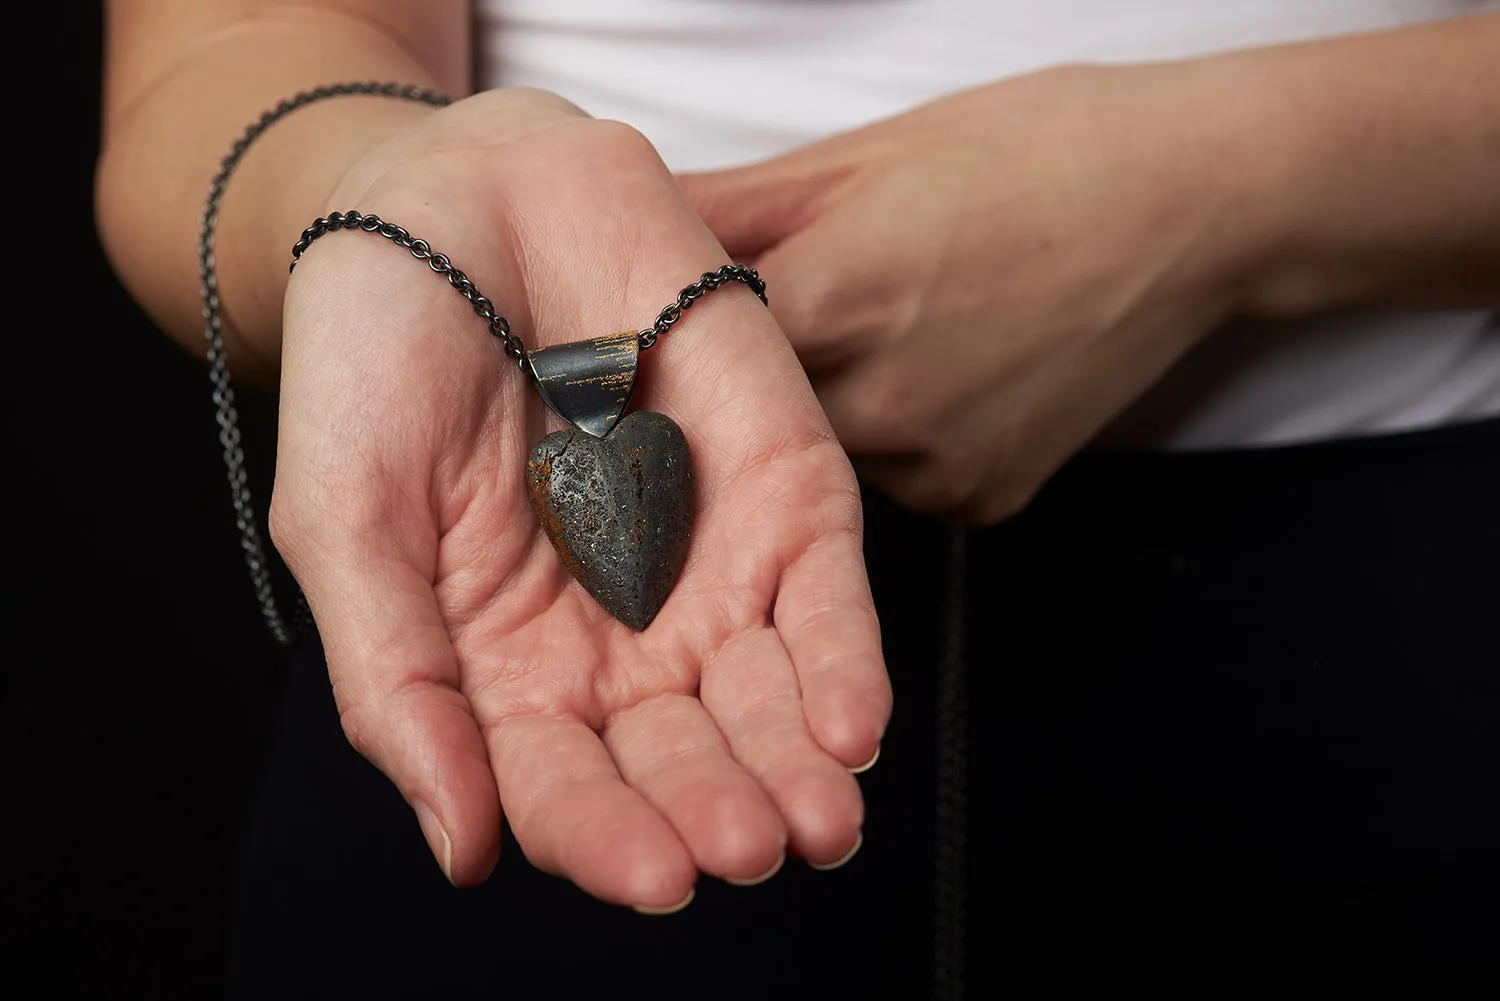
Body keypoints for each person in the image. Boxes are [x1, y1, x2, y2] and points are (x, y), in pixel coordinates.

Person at [97, 1, 1499, 997]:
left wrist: (1233, 192)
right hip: (523, 635)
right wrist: (384, 196)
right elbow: (225, 53)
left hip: (1392, 638)